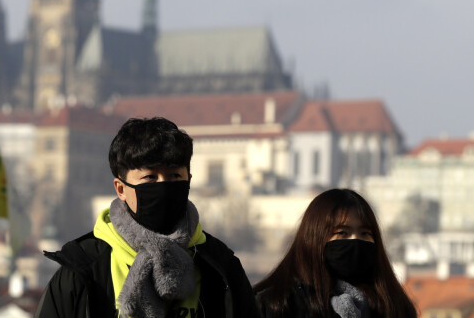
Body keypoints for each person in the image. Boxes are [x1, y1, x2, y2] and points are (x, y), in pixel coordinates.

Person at [34, 117, 257, 318]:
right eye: (150, 177)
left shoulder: (221, 267)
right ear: (120, 189)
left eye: (174, 176)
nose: (163, 185)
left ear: (188, 180)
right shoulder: (82, 271)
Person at [253, 188, 416, 318]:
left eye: (365, 233)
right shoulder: (277, 304)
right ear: (315, 238)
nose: (355, 240)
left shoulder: (394, 306)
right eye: (342, 233)